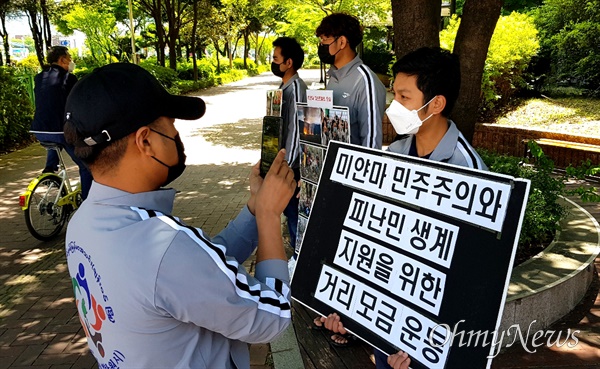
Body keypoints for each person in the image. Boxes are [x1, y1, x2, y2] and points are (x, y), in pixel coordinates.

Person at [62, 63, 296, 369]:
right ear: (145, 140)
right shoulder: (164, 247)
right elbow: (272, 318)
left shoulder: (82, 224)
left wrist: (254, 207)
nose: (175, 133)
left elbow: (202, 272)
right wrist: (268, 216)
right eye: (170, 124)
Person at [316, 12, 387, 149]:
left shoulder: (365, 81)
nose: (321, 46)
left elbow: (371, 142)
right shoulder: (333, 77)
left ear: (342, 42)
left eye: (325, 41)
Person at [30, 45, 93, 199]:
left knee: (55, 140)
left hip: (39, 130)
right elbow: (77, 102)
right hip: (59, 131)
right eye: (69, 59)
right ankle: (87, 202)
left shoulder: (39, 77)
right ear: (62, 59)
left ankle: (49, 170)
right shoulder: (69, 78)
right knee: (86, 166)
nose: (71, 62)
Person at [271, 36, 308, 268]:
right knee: (289, 212)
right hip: (284, 163)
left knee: (294, 215)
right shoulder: (284, 86)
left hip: (291, 167)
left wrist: (288, 166)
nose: (273, 62)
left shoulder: (296, 88)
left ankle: (299, 262)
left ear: (289, 63)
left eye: (276, 58)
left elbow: (296, 130)